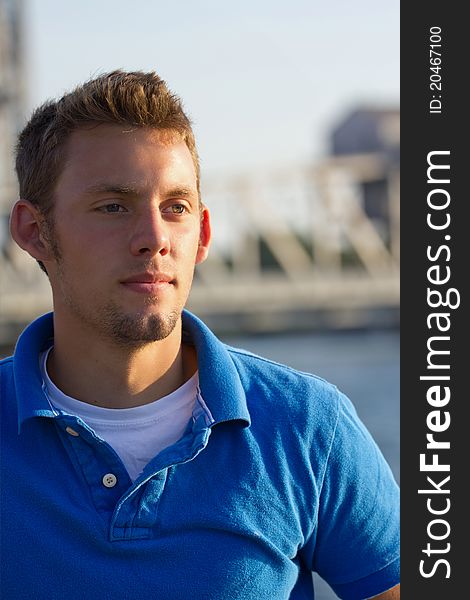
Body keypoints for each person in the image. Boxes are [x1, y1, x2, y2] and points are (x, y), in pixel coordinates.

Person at [0, 70, 400, 600]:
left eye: (176, 208)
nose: (153, 239)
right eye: (112, 206)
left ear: (204, 234)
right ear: (34, 232)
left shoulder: (309, 426)